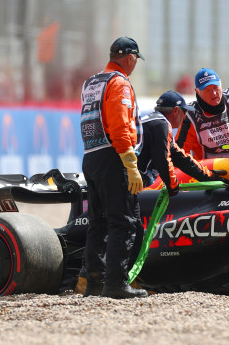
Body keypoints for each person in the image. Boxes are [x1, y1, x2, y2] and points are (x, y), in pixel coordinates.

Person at [79, 36, 148, 299]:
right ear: (130, 58)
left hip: (91, 155)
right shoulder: (119, 83)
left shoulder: (91, 82)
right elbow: (119, 124)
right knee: (124, 221)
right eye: (135, 61)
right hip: (114, 156)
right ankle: (116, 283)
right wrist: (130, 163)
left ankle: (94, 283)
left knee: (98, 222)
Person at [137, 90, 228, 190]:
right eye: (184, 111)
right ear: (176, 110)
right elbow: (163, 160)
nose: (185, 116)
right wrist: (173, 187)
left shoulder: (153, 122)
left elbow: (181, 158)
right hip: (125, 181)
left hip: (124, 177)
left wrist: (210, 177)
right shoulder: (161, 124)